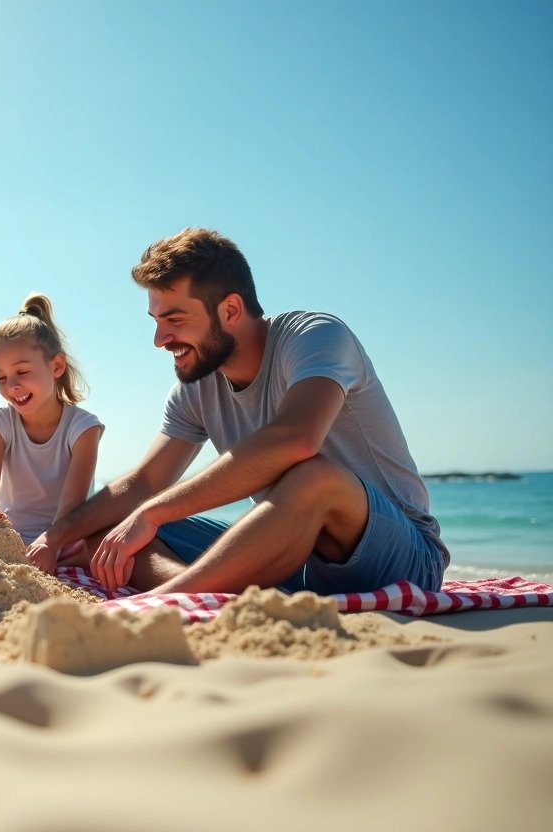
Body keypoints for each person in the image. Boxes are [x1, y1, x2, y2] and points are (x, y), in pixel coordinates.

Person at [35, 228, 448, 596]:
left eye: (175, 319)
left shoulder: (314, 336)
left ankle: (167, 599)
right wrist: (57, 535)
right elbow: (145, 481)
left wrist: (154, 512)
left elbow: (296, 439)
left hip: (403, 559)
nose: (160, 339)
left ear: (230, 310)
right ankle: (205, 592)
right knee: (106, 530)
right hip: (300, 561)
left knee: (313, 474)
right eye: (156, 320)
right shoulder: (196, 387)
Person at [0, 294, 104, 575]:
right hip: (9, 538)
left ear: (56, 366)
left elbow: (73, 503)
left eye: (22, 371)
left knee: (109, 537)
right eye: (1, 377)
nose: (12, 386)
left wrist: (51, 544)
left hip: (64, 539)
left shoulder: (83, 428)